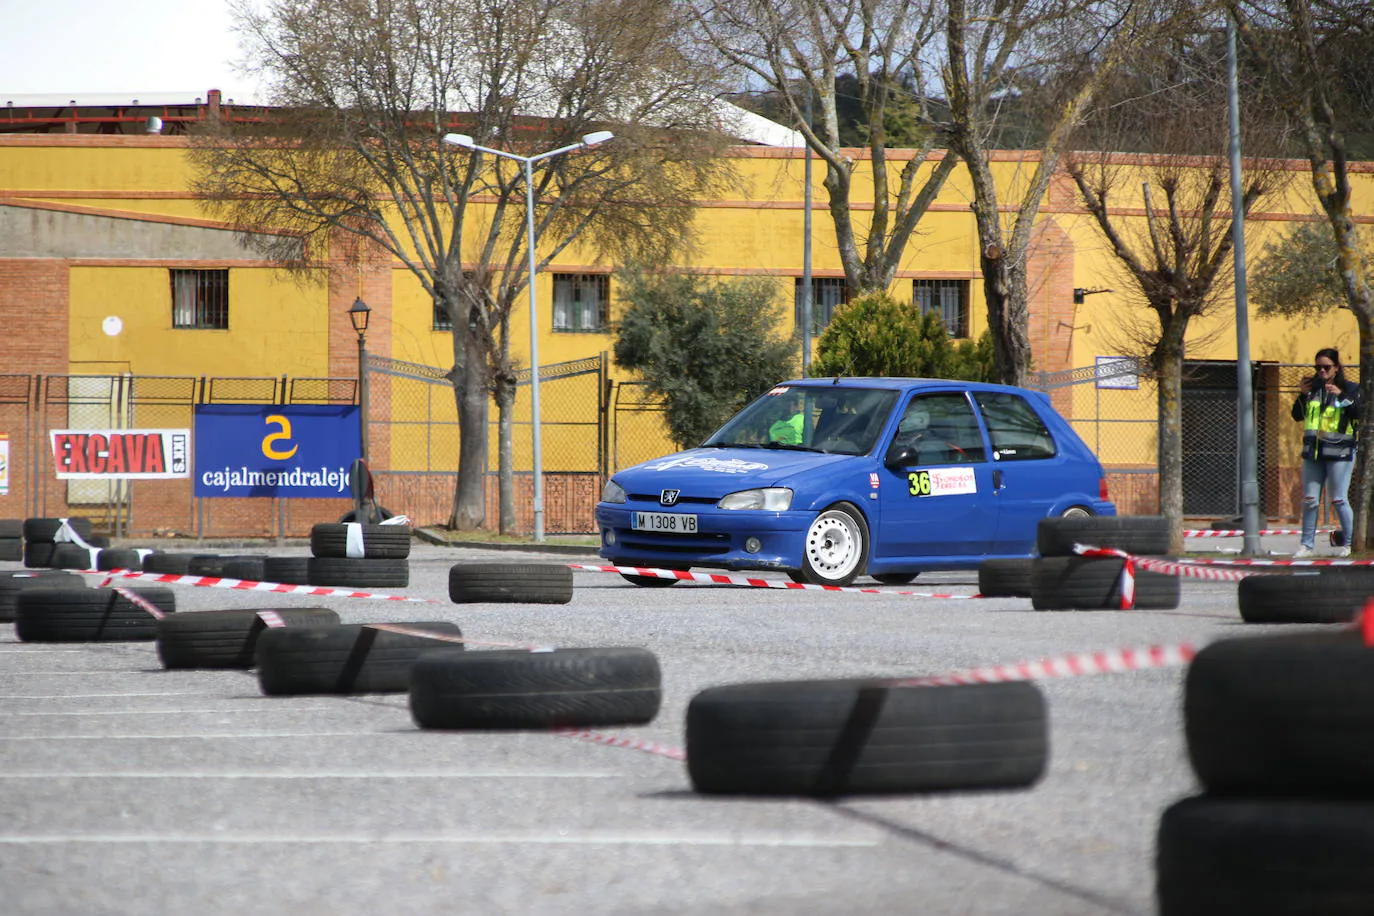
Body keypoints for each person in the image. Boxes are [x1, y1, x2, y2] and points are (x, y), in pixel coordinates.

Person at [1292, 347, 1359, 558]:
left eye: (1326, 367)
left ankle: (1349, 544)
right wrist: (1302, 395)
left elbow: (1359, 415)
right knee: (1310, 499)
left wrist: (1343, 397)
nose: (1321, 371)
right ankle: (1306, 546)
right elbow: (1296, 415)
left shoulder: (1350, 388)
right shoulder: (1313, 389)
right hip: (1314, 451)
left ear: (1336, 368)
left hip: (1340, 450)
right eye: (1318, 367)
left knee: (1339, 498)